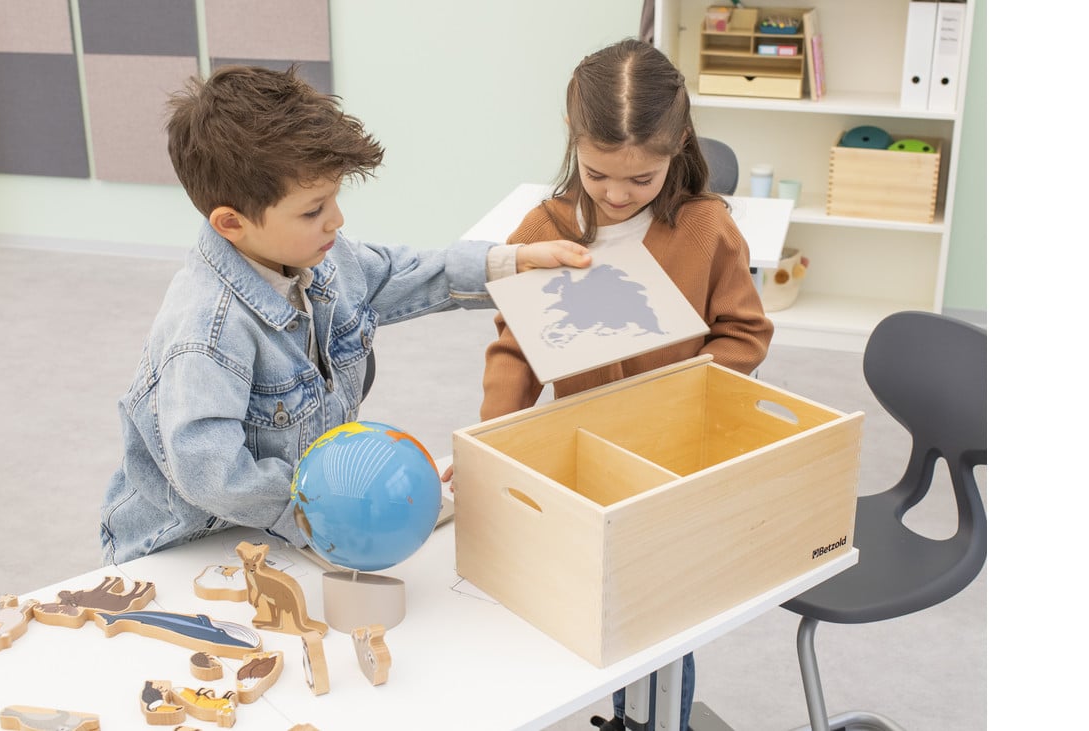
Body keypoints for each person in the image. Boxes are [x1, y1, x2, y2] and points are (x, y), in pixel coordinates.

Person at [99, 65, 591, 566]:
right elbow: (211, 473)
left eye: (335, 198)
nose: (337, 219)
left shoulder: (326, 260)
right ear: (231, 223)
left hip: (289, 522)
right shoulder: (206, 332)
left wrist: (511, 264)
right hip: (191, 547)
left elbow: (404, 273)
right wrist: (326, 511)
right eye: (313, 210)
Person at [476, 39, 774, 731]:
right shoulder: (542, 230)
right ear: (573, 139)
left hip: (673, 456)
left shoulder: (706, 226)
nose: (615, 194)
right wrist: (493, 441)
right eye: (597, 173)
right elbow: (516, 348)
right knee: (580, 592)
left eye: (641, 179)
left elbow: (745, 333)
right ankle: (622, 710)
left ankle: (656, 719)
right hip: (580, 451)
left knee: (661, 611)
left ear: (678, 146)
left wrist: (677, 390)